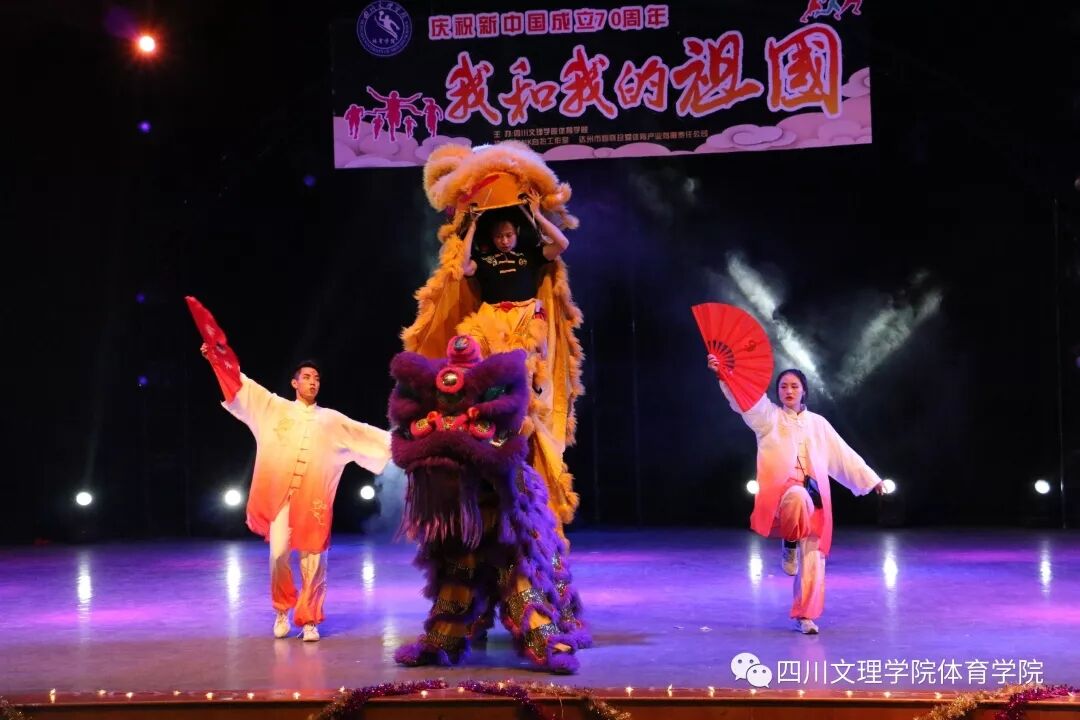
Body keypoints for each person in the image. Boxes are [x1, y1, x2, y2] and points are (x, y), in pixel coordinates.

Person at [202, 345, 391, 641]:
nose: (313, 382)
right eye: (307, 377)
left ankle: (309, 619)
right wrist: (216, 359)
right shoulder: (273, 409)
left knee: (313, 559)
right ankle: (282, 610)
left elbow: (366, 434)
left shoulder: (331, 420)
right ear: (294, 382)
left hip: (313, 501)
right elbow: (241, 386)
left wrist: (410, 441)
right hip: (281, 499)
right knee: (278, 554)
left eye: (316, 378)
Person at [707, 359, 884, 634]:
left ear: (804, 391)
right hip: (783, 496)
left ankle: (805, 616)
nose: (788, 391)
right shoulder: (769, 417)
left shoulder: (818, 424)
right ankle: (789, 544)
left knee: (813, 558)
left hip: (816, 498)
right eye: (783, 386)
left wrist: (871, 480)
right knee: (797, 496)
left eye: (794, 386)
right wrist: (724, 375)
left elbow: (843, 455)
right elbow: (746, 399)